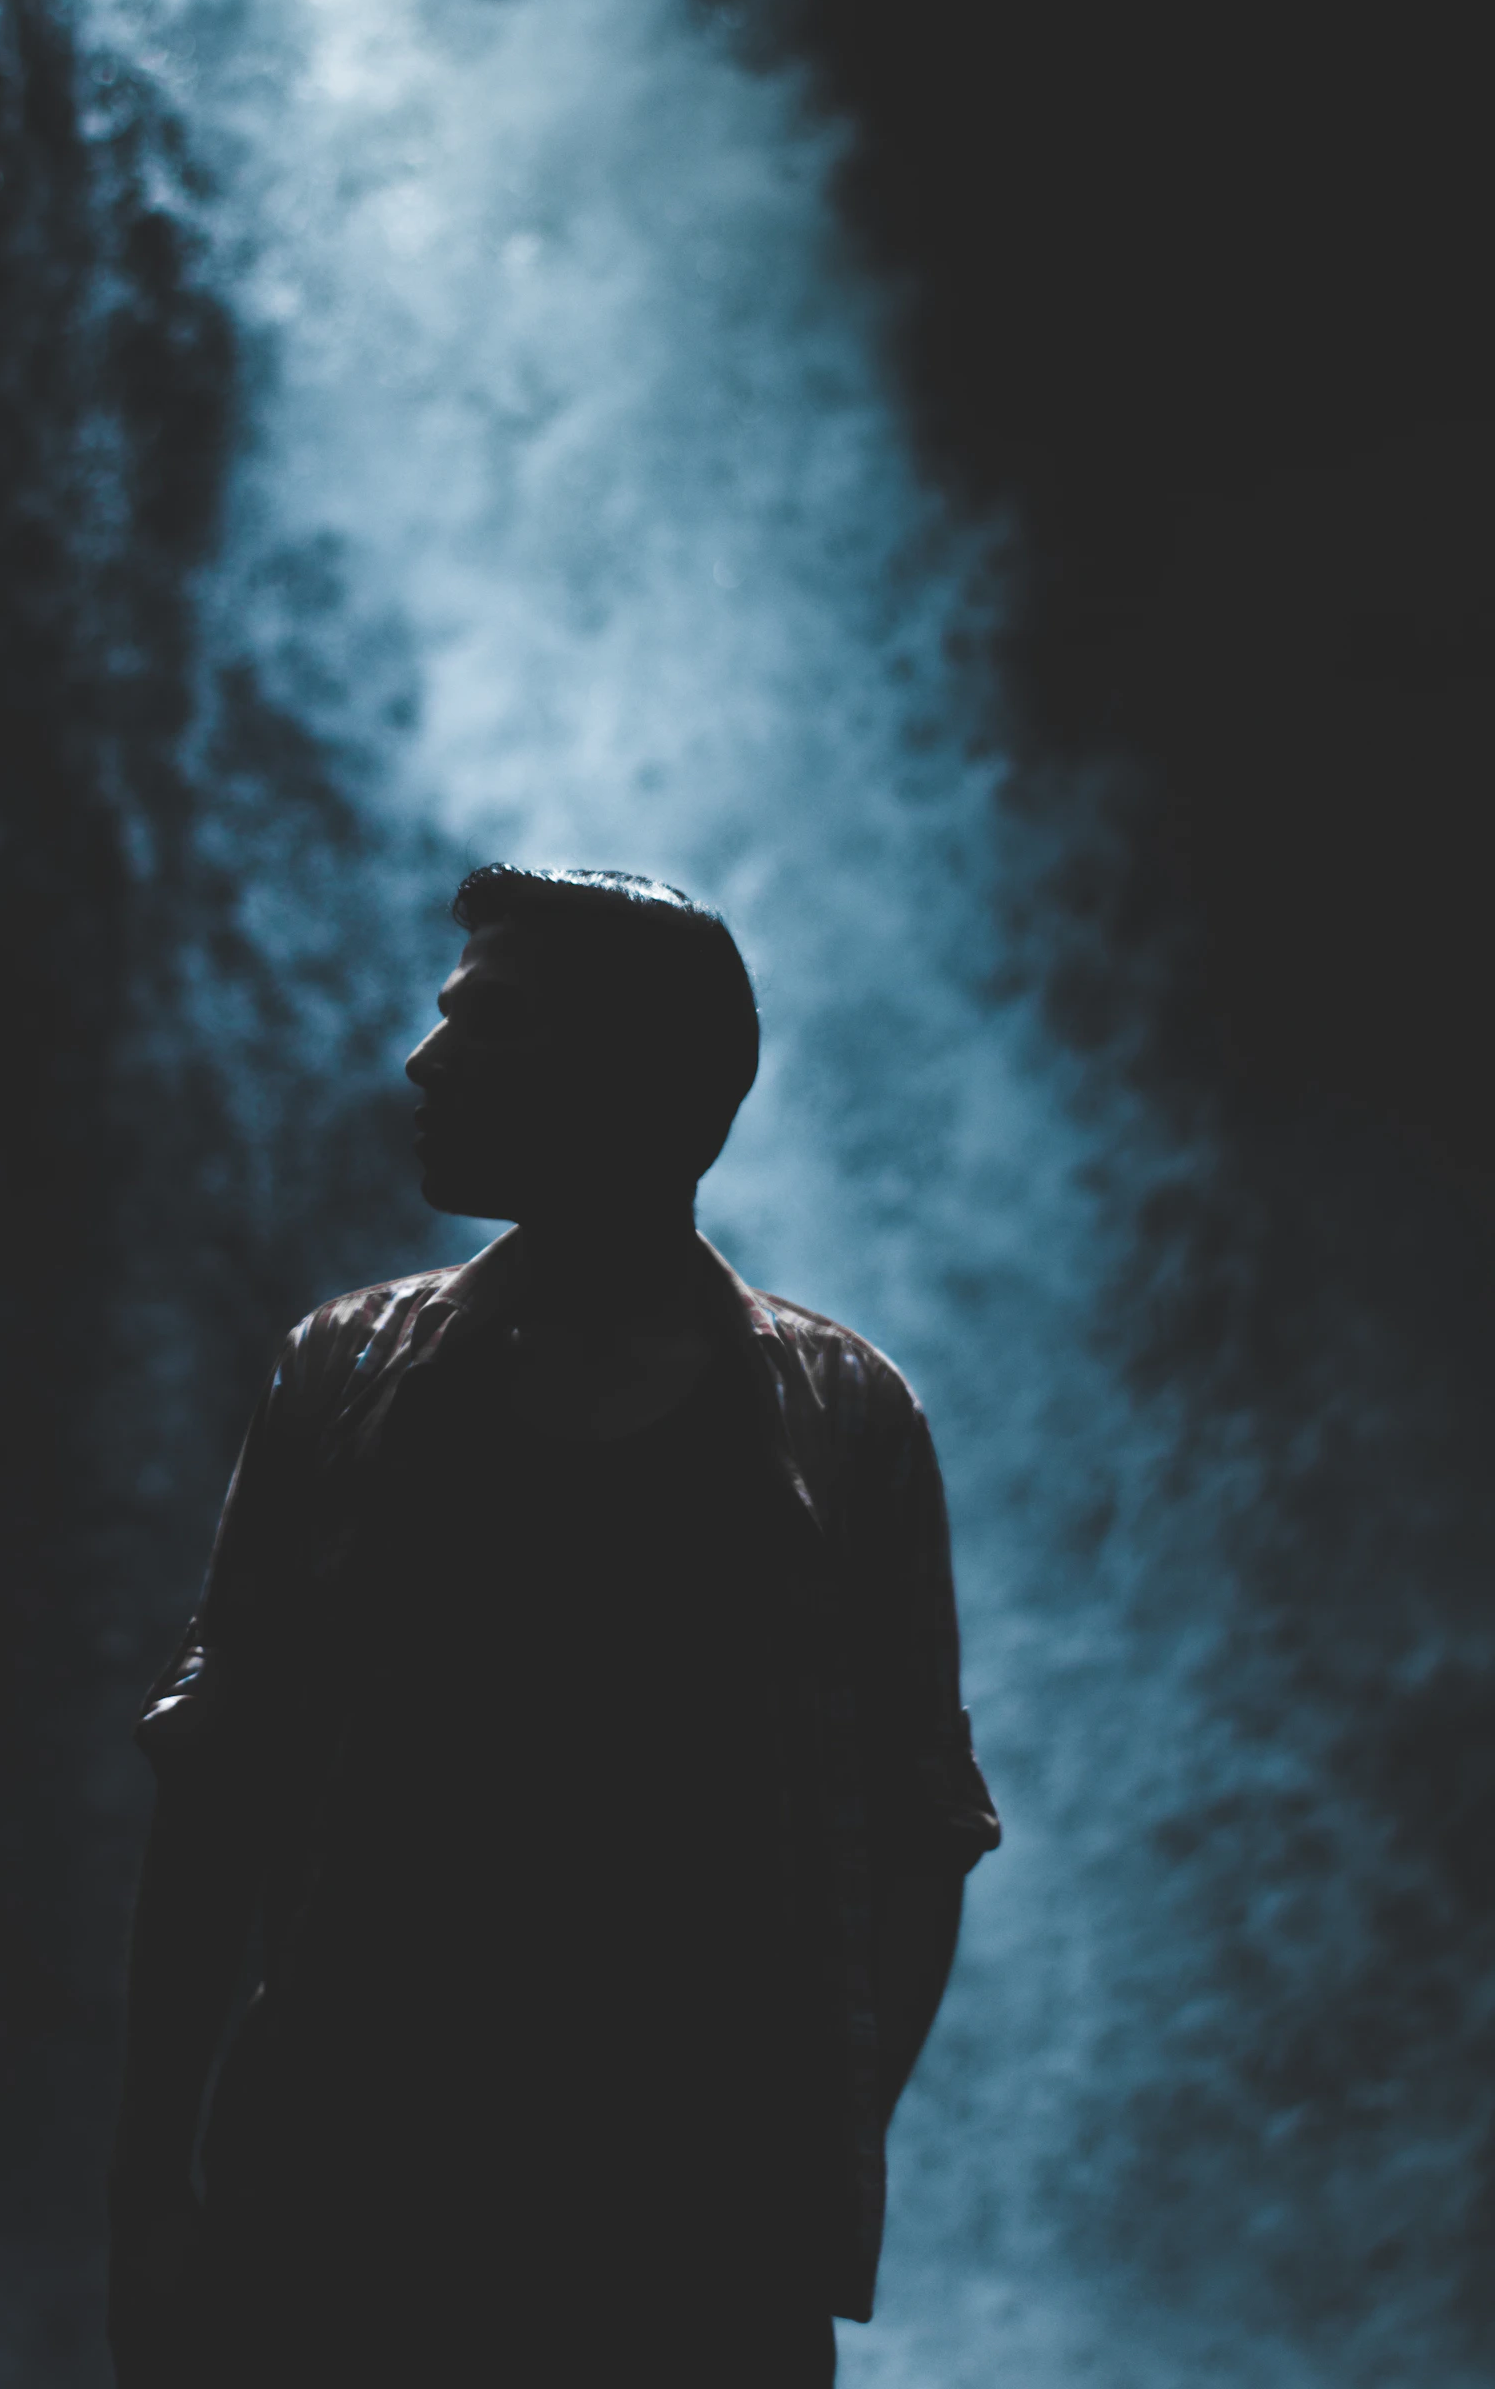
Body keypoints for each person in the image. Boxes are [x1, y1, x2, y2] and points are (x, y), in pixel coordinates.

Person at [107, 865, 999, 2389]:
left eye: (490, 1023)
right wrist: (154, 2199)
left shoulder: (847, 1418)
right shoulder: (339, 1369)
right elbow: (217, 1792)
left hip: (684, 2246)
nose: (425, 1059)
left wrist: (788, 2191)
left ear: (640, 1073)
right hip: (338, 2203)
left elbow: (919, 1835)